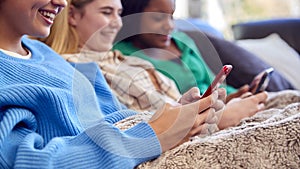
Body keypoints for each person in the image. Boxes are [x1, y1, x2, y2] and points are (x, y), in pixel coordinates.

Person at [0, 0, 232, 168]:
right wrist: (153, 133)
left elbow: (117, 117)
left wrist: (173, 118)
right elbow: (30, 161)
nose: (61, 2)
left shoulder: (46, 55)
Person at [114, 0, 252, 102]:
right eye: (158, 17)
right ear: (132, 16)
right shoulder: (121, 56)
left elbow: (214, 81)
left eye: (171, 16)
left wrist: (239, 94)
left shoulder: (182, 40)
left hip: (225, 103)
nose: (169, 26)